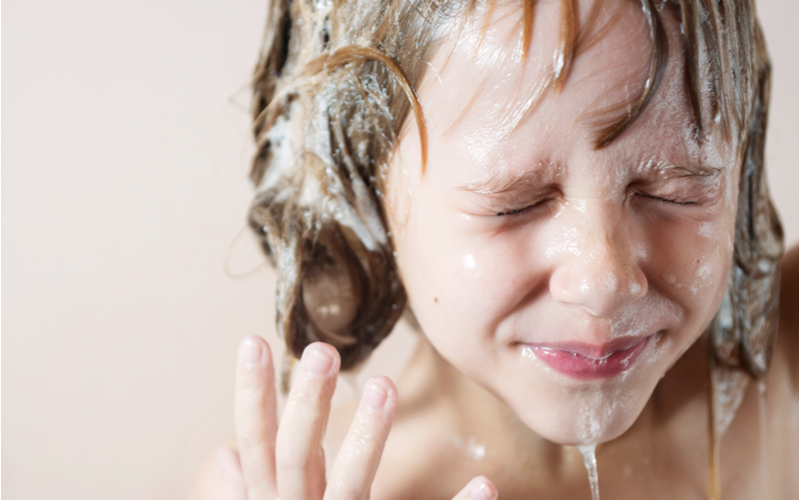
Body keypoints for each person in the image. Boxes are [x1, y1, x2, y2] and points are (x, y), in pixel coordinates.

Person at [192, 0, 798, 498]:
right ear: (369, 198)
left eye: (676, 190)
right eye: (517, 205)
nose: (604, 279)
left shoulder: (784, 352)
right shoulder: (323, 487)